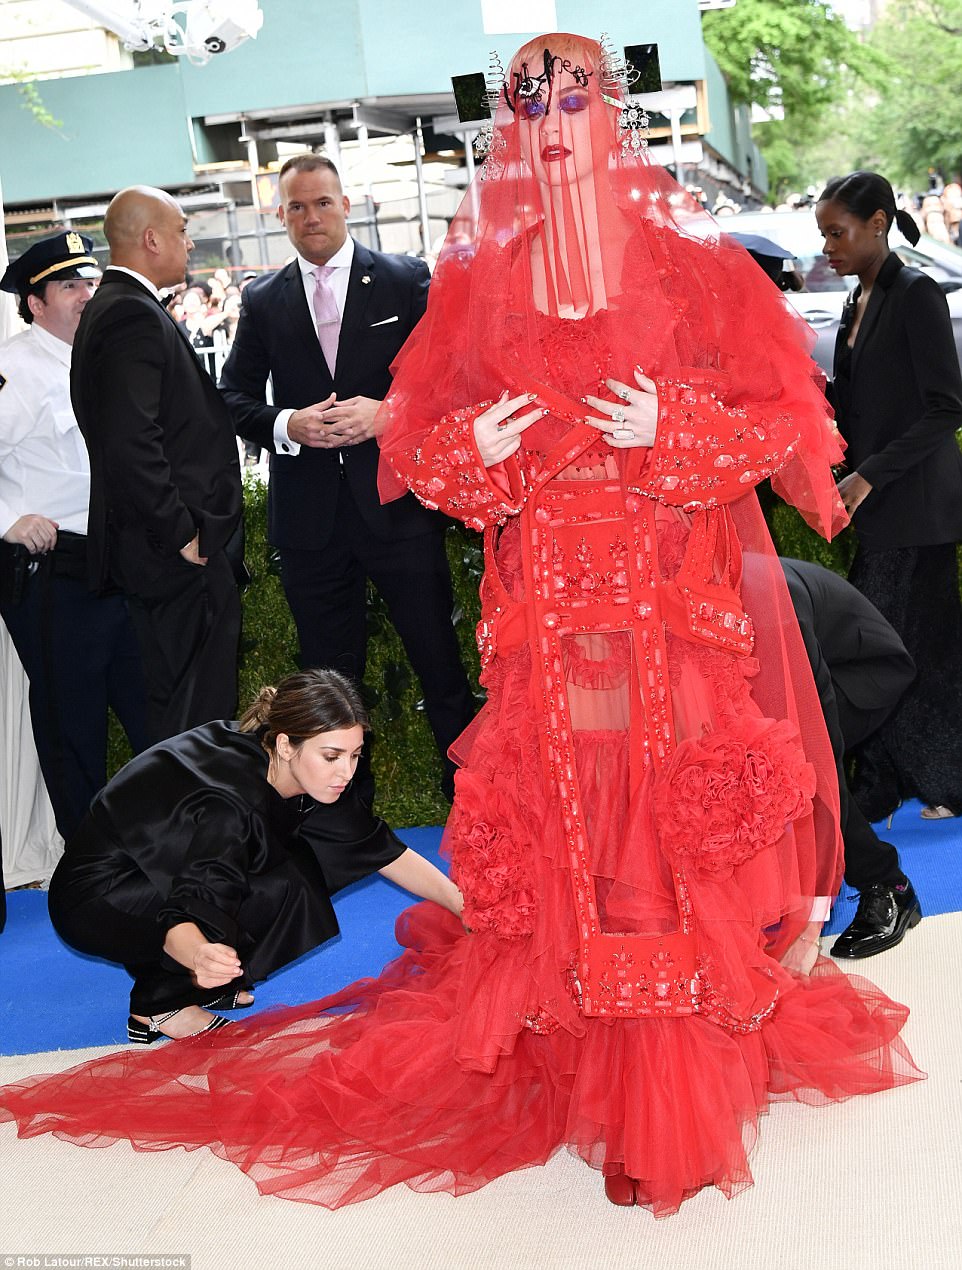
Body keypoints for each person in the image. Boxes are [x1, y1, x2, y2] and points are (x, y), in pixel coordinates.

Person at [0, 35, 921, 1216]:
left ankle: (668, 1085)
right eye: (528, 122)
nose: (548, 140)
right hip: (548, 620)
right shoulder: (485, 284)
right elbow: (427, 448)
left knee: (656, 835)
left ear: (609, 125)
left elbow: (786, 430)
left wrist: (666, 433)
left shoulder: (694, 273)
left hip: (659, 619)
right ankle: (591, 1060)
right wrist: (470, 460)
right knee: (579, 836)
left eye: (570, 116)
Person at [220, 154, 475, 801]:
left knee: (439, 666)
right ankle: (340, 821)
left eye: (322, 202)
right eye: (297, 207)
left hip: (398, 511)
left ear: (346, 204)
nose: (311, 217)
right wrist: (287, 424)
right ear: (280, 216)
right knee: (329, 686)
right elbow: (232, 396)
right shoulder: (262, 298)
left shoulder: (403, 278)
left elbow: (451, 379)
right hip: (311, 525)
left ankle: (476, 803)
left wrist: (391, 413)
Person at [45, 668, 463, 1042]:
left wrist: (464, 905)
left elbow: (380, 849)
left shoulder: (287, 762)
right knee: (275, 888)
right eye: (332, 756)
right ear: (286, 745)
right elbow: (192, 900)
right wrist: (198, 957)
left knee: (294, 871)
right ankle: (161, 1004)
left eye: (355, 755)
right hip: (95, 899)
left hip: (148, 872)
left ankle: (180, 981)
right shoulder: (232, 803)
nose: (347, 772)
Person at [70, 186, 243, 744]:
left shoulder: (117, 309)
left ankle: (196, 828)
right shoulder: (129, 314)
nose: (190, 243)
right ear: (150, 239)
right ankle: (196, 831)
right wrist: (183, 533)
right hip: (173, 559)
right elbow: (131, 441)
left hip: (162, 557)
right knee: (194, 721)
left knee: (186, 717)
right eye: (182, 230)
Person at [815, 171, 962, 820]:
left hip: (920, 510)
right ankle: (894, 780)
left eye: (837, 233)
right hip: (880, 515)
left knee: (903, 651)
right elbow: (853, 405)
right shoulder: (856, 303)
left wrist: (869, 473)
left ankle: (929, 782)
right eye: (823, 236)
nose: (827, 248)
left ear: (878, 223)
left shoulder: (916, 293)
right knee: (895, 649)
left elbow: (944, 408)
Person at [0, 232, 148, 840]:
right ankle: (90, 870)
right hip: (54, 571)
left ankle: (164, 855)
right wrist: (7, 517)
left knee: (150, 715)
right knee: (72, 727)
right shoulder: (12, 368)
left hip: (122, 562)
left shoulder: (104, 356)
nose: (88, 295)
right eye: (69, 285)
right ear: (35, 303)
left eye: (90, 281)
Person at [780, 557, 920, 957]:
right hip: (818, 669)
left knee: (803, 768)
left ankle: (889, 884)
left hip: (865, 675)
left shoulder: (771, 598)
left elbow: (816, 714)